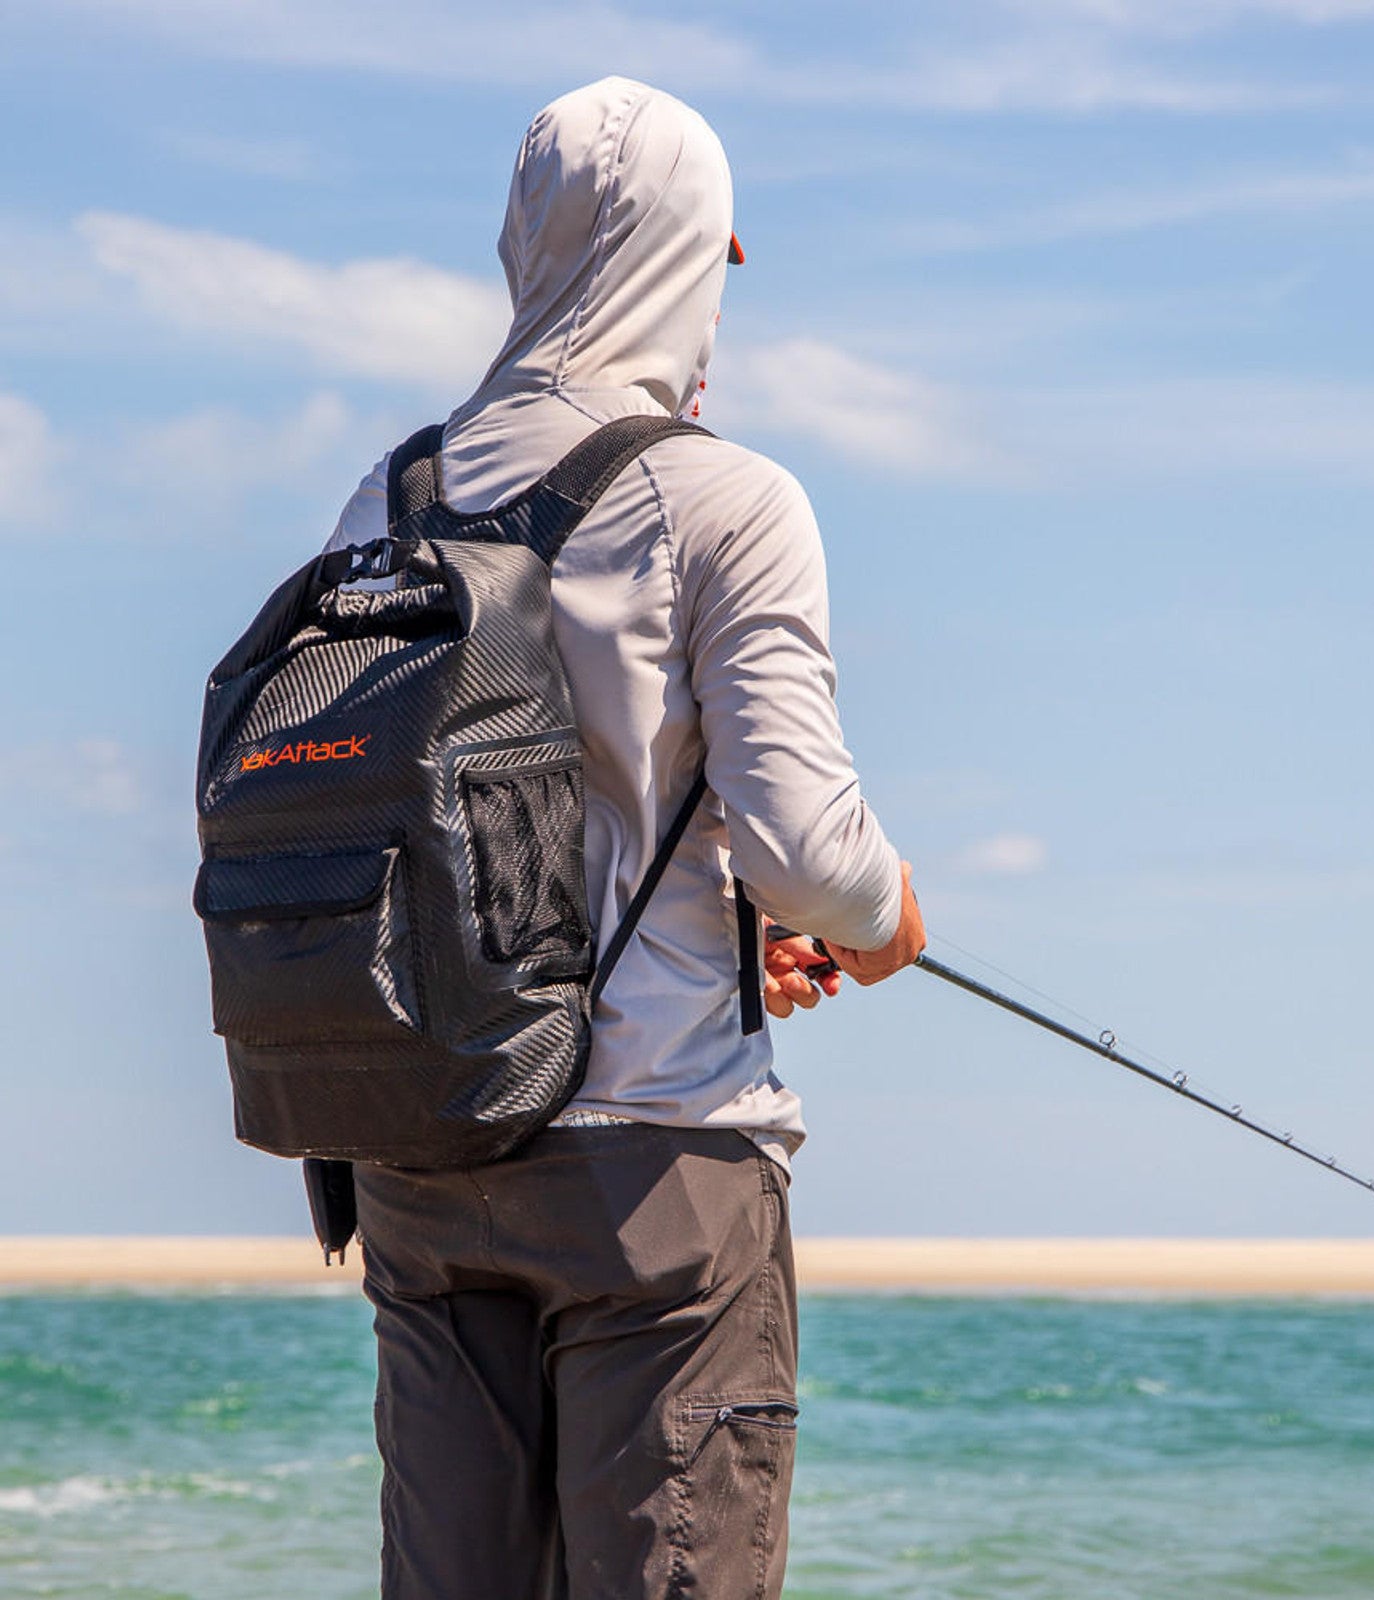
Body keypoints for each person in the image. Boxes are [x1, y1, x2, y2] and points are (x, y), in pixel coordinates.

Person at [324, 76, 924, 1599]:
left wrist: (729, 919)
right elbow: (808, 846)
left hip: (422, 1157)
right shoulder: (725, 501)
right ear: (690, 257)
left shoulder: (383, 503)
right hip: (658, 1178)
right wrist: (884, 918)